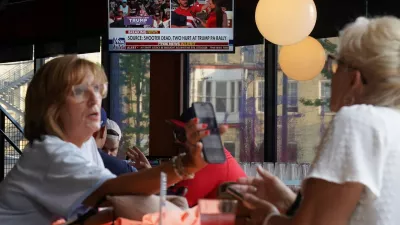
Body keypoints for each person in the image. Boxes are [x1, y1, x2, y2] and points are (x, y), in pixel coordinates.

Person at [0, 55, 219, 224]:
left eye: (98, 89)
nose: (95, 98)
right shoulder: (50, 153)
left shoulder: (84, 144)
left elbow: (103, 206)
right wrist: (186, 164)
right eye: (79, 91)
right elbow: (116, 191)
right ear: (52, 107)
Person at [236, 16, 400, 225]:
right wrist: (291, 203)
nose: (332, 76)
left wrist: (268, 219)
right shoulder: (392, 124)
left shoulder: (358, 122)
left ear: (354, 79)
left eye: (335, 65)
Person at [169, 107, 246, 207]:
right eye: (177, 134)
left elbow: (174, 204)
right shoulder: (215, 154)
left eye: (182, 135)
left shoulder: (210, 159)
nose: (177, 141)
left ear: (203, 135)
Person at [94, 109, 139, 175]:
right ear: (102, 133)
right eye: (103, 148)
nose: (108, 153)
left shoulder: (129, 165)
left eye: (113, 149)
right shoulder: (126, 169)